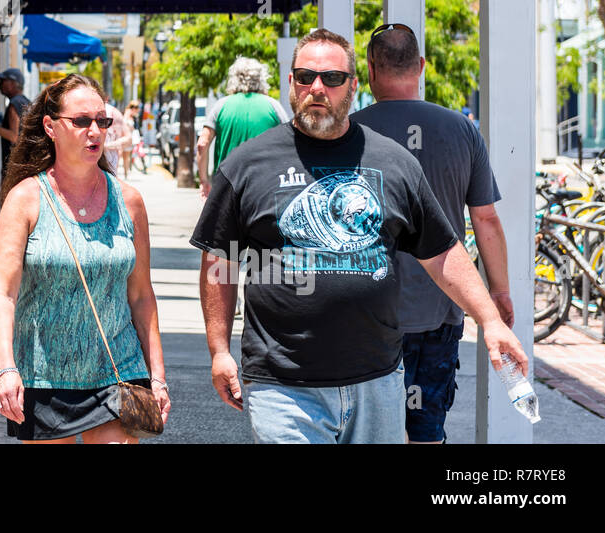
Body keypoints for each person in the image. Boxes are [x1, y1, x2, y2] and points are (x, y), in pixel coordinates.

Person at [190, 28, 527, 444]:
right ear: (291, 83)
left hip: (378, 381)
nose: (317, 88)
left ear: (354, 84)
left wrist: (490, 320)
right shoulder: (247, 165)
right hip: (284, 387)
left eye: (331, 78)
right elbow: (220, 263)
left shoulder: (394, 161)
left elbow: (441, 252)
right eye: (304, 76)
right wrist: (219, 349)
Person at [354, 23, 513, 444]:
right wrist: (498, 294)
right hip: (440, 307)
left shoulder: (348, 132)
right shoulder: (461, 130)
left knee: (367, 430)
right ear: (421, 66)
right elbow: (486, 221)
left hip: (365, 310)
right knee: (425, 430)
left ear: (370, 70)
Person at [0, 74, 170, 443]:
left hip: (118, 370)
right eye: (82, 121)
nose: (95, 131)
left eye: (102, 121)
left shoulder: (129, 201)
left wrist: (157, 375)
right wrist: (6, 368)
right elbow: (3, 295)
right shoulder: (25, 199)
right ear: (51, 127)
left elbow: (140, 295)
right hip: (44, 375)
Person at [198, 57, 289, 199]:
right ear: (261, 78)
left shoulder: (220, 106)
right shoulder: (274, 106)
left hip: (226, 186)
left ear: (233, 78)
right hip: (265, 187)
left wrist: (204, 180)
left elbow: (202, 144)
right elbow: (289, 144)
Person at [0, 67, 32, 178]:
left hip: (13, 167)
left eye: (3, 81)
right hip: (24, 164)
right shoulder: (25, 102)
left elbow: (14, 136)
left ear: (13, 84)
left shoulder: (14, 104)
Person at [119, 101, 140, 177]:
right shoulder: (128, 113)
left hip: (129, 137)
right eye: (136, 107)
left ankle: (126, 172)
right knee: (124, 155)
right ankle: (125, 173)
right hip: (126, 137)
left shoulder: (131, 114)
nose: (137, 109)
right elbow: (124, 123)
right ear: (133, 107)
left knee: (126, 155)